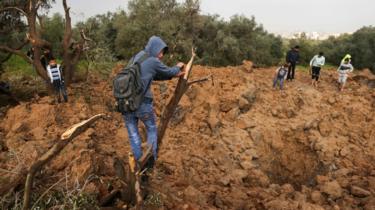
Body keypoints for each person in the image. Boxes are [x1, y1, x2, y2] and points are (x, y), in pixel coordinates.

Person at [122, 36, 185, 165]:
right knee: (151, 129)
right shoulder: (152, 61)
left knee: (133, 135)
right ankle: (149, 163)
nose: (161, 55)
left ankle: (139, 166)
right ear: (154, 48)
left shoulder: (135, 57)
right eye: (160, 51)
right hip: (142, 103)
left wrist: (171, 75)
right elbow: (168, 71)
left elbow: (152, 75)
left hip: (125, 102)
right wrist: (178, 67)